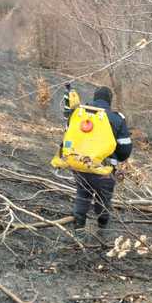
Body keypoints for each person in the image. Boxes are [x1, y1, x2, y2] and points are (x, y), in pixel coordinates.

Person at [54, 85, 133, 234]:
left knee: (82, 194)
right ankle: (102, 230)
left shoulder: (78, 113)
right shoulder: (117, 118)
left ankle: (79, 229)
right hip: (105, 170)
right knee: (104, 199)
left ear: (95, 98)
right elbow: (125, 149)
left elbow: (68, 135)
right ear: (109, 101)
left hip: (80, 165)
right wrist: (118, 158)